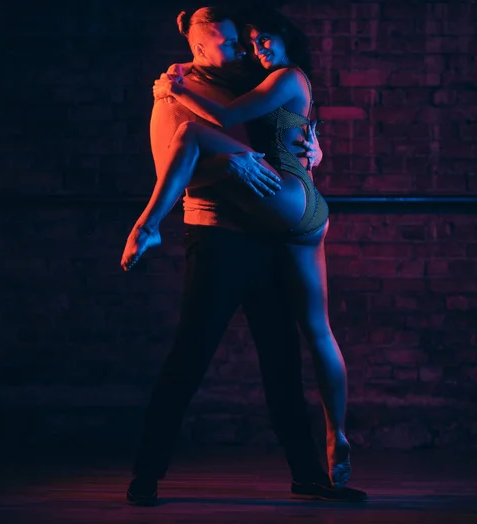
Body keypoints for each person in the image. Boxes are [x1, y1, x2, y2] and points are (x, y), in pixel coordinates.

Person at [123, 6, 367, 505]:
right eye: (230, 43)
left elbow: (284, 139)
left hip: (266, 239)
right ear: (199, 45)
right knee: (188, 360)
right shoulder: (171, 95)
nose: (241, 51)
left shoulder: (248, 79)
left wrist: (313, 151)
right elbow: (171, 174)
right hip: (216, 238)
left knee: (283, 361)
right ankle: (146, 476)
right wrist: (228, 169)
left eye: (243, 42)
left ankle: (310, 476)